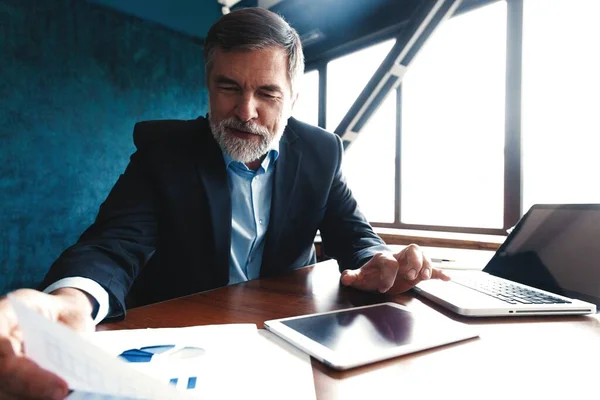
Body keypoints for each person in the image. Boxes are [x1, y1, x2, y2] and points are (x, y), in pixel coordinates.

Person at [0, 7, 449, 399]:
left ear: (293, 97)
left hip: (289, 337)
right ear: (209, 87)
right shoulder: (165, 149)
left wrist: (379, 260)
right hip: (182, 339)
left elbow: (353, 233)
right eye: (228, 87)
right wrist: (72, 300)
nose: (245, 111)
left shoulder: (321, 151)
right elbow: (112, 244)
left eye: (267, 93)